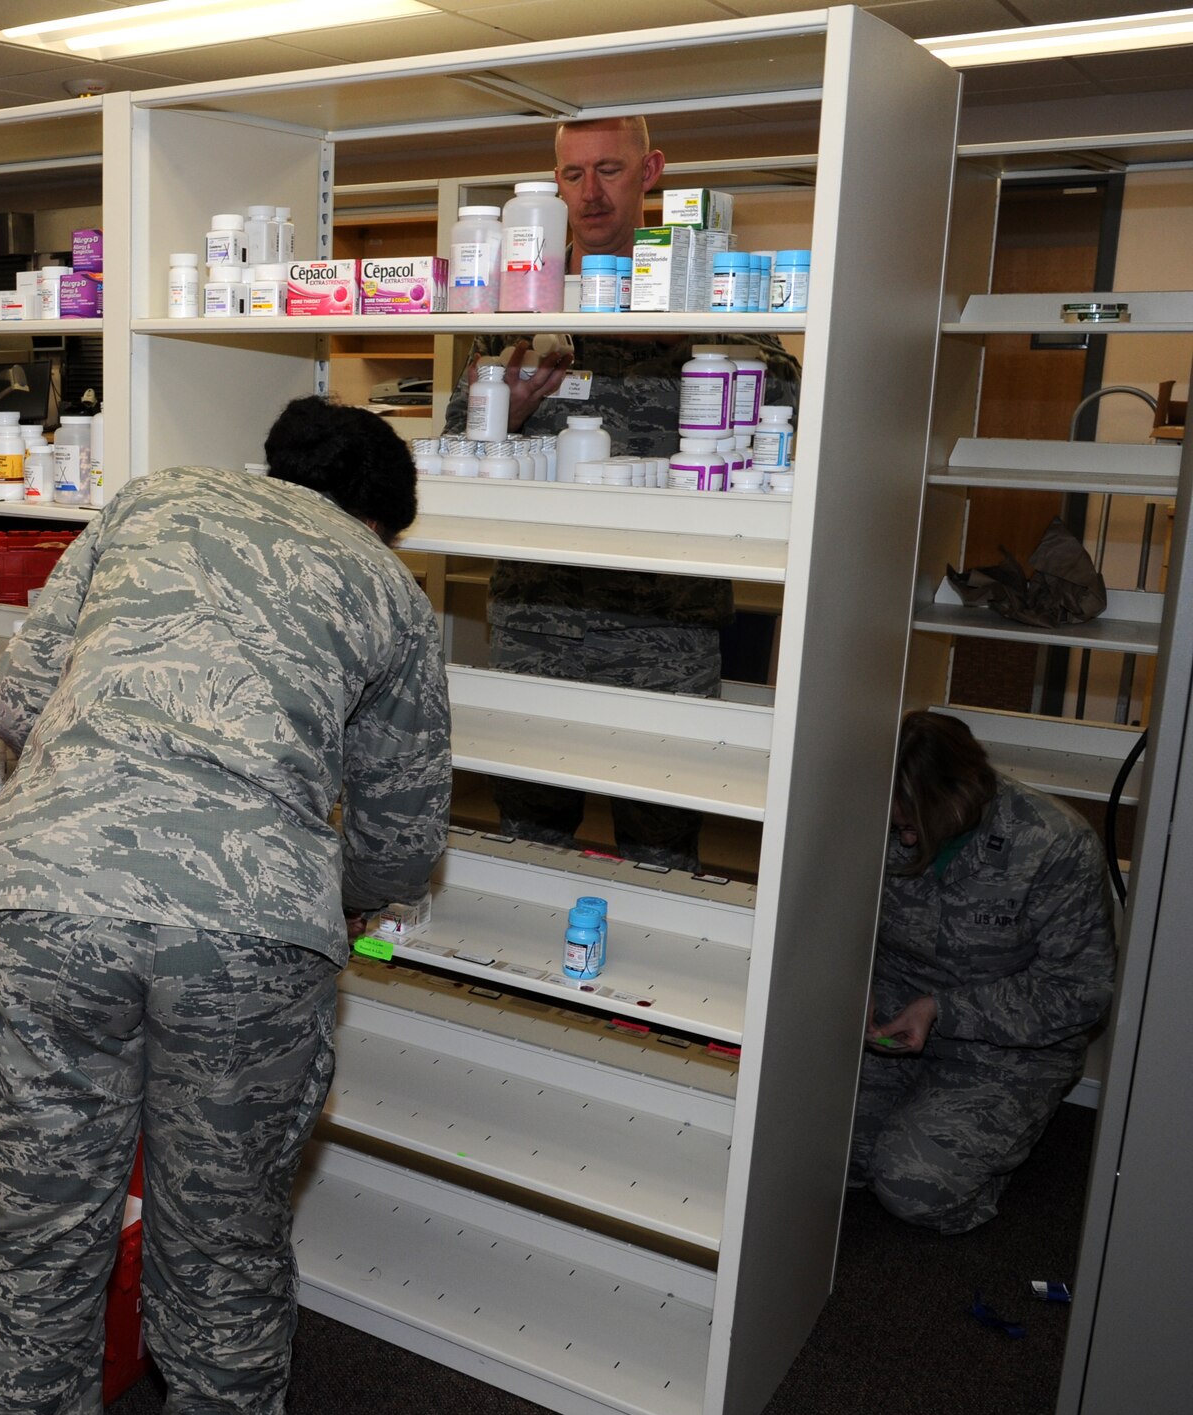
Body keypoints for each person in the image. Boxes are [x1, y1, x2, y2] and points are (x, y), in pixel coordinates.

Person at [0, 396, 453, 1415]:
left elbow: (23, 696)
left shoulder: (151, 501)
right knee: (221, 1249)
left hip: (42, 898)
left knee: (37, 1248)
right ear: (377, 519)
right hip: (250, 937)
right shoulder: (389, 591)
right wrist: (313, 880)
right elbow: (401, 838)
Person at [442, 115, 799, 871]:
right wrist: (506, 411)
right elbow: (457, 436)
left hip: (662, 625)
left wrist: (683, 336)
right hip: (538, 614)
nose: (590, 193)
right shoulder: (519, 299)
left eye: (609, 170)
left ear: (651, 171)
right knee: (525, 834)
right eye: (572, 175)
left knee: (661, 838)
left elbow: (787, 404)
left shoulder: (704, 293)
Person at [849, 711, 1116, 1233]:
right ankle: (919, 1113)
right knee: (813, 1153)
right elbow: (836, 920)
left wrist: (943, 1010)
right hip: (887, 1021)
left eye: (915, 826)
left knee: (911, 1185)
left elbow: (1080, 993)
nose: (905, 840)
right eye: (897, 824)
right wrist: (851, 987)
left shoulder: (1055, 843)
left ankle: (986, 1158)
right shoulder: (875, 812)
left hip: (1008, 1046)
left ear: (966, 791)